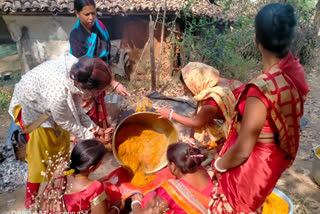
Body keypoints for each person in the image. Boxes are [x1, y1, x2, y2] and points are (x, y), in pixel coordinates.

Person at [210, 3, 310, 213]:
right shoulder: (295, 72)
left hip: (251, 173)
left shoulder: (260, 92)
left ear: (257, 39)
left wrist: (218, 166)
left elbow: (243, 152)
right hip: (271, 165)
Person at [8, 54, 114, 209]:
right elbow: (65, 121)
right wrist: (91, 135)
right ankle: (30, 203)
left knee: (61, 154)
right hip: (34, 111)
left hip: (53, 109)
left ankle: (58, 187)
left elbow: (76, 108)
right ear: (86, 87)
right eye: (97, 92)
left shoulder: (79, 71)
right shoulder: (59, 94)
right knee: (39, 160)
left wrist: (95, 128)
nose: (97, 96)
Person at [70, 0, 130, 132]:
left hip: (100, 78)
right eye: (86, 14)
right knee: (88, 115)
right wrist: (112, 83)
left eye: (93, 13)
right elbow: (84, 67)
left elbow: (106, 57)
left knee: (101, 113)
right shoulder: (76, 36)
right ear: (77, 14)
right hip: (85, 82)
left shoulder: (101, 28)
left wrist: (108, 79)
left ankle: (103, 137)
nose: (91, 17)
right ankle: (90, 142)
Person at [156, 62, 244, 150]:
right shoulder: (212, 82)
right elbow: (198, 111)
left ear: (196, 81)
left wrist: (171, 114)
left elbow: (197, 123)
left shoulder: (213, 99)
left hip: (244, 127)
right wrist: (191, 139)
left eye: (186, 85)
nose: (184, 88)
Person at [39, 139, 120, 214]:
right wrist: (116, 207)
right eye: (100, 162)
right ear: (92, 168)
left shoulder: (60, 169)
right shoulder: (94, 189)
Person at [130, 142, 214, 214]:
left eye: (168, 163)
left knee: (147, 199)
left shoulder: (170, 190)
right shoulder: (201, 169)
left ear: (173, 166)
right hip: (212, 209)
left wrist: (136, 203)